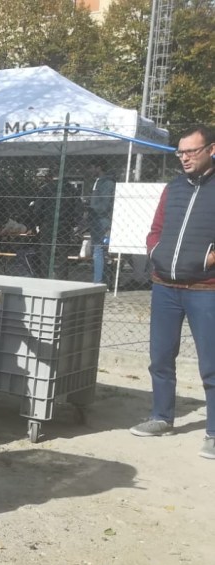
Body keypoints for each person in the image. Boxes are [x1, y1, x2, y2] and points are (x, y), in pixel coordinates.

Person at [129, 125, 215, 460]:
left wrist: (208, 259)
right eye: (181, 152)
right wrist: (155, 251)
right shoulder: (174, 187)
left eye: (192, 151)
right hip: (165, 287)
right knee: (161, 358)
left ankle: (213, 433)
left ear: (211, 150)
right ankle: (161, 417)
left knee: (211, 364)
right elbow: (156, 229)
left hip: (205, 289)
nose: (184, 158)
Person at [17, 167, 81, 279]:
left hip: (47, 224)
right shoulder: (71, 189)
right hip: (65, 224)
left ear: (51, 176)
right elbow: (78, 208)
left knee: (46, 252)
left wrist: (36, 223)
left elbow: (38, 209)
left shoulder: (45, 189)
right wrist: (74, 223)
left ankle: (45, 276)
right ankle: (62, 277)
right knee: (63, 253)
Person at [85, 158, 116, 285]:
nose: (89, 170)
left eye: (91, 167)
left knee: (99, 250)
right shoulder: (97, 182)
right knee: (98, 251)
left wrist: (90, 208)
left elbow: (105, 205)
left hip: (102, 222)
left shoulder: (107, 183)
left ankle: (98, 281)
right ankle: (100, 279)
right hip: (95, 220)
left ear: (99, 168)